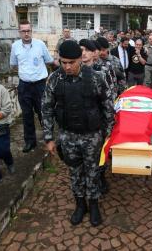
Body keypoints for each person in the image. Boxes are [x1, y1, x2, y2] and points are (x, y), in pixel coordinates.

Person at [42, 40, 114, 227]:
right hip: (68, 135)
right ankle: (80, 204)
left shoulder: (97, 78)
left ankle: (94, 204)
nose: (67, 67)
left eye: (71, 62)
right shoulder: (54, 79)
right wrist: (49, 138)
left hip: (92, 135)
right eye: (63, 62)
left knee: (93, 171)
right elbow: (47, 109)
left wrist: (108, 135)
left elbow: (107, 107)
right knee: (75, 172)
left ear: (80, 59)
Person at [10, 20, 54, 153]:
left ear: (31, 31)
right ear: (19, 32)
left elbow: (49, 61)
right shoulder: (15, 46)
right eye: (23, 31)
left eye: (28, 30)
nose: (26, 33)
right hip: (24, 86)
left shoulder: (40, 45)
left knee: (43, 112)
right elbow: (13, 64)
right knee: (27, 114)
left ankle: (49, 139)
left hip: (40, 85)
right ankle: (30, 142)